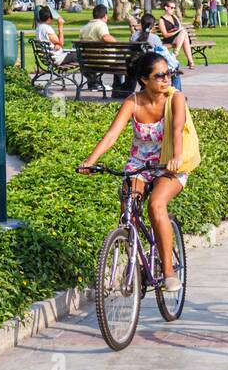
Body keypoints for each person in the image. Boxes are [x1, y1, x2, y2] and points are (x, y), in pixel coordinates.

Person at [77, 50, 190, 293]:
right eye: (159, 76)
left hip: (168, 163)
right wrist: (90, 160)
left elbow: (177, 129)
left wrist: (176, 156)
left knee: (156, 205)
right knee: (128, 207)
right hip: (139, 164)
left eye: (168, 74)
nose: (166, 79)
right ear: (144, 80)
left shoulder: (175, 98)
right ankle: (137, 260)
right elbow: (112, 135)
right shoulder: (133, 102)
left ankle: (168, 271)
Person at [131, 13, 182, 91]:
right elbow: (161, 54)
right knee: (176, 66)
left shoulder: (134, 36)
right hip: (151, 67)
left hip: (136, 66)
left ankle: (144, 89)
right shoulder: (154, 38)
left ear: (141, 24)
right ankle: (177, 93)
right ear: (153, 25)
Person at [79, 4, 116, 91]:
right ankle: (118, 86)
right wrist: (116, 41)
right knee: (123, 61)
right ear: (105, 16)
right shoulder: (101, 25)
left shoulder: (84, 27)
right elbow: (105, 37)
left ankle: (93, 83)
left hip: (89, 60)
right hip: (104, 60)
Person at [157, 1, 196, 70]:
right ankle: (190, 61)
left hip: (179, 38)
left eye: (174, 8)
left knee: (184, 35)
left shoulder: (174, 16)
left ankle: (176, 53)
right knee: (184, 34)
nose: (173, 9)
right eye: (172, 8)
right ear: (166, 8)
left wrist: (178, 31)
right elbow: (165, 35)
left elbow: (180, 27)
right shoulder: (161, 20)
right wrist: (176, 31)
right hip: (169, 39)